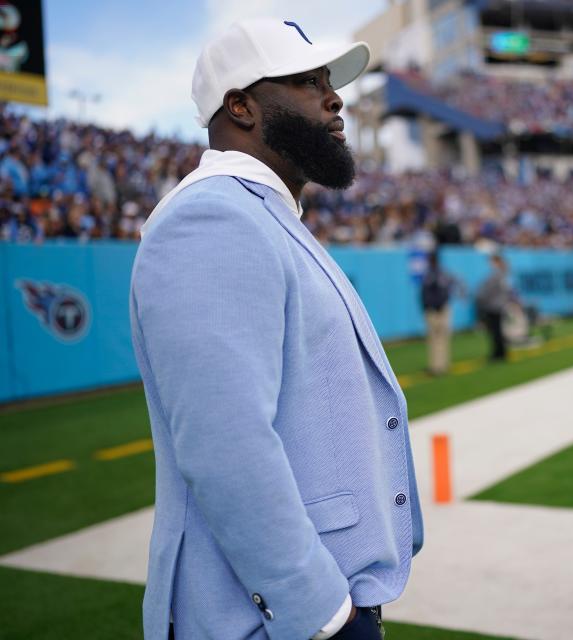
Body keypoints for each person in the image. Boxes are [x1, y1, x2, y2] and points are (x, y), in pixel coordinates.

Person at [129, 19, 422, 640]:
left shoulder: (262, 215)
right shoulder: (213, 217)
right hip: (270, 620)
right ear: (241, 106)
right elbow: (224, 444)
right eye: (306, 80)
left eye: (327, 81)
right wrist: (319, 613)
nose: (333, 95)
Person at [420, 251, 462, 375]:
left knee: (435, 338)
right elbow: (452, 287)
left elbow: (428, 295)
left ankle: (437, 367)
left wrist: (430, 307)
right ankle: (443, 365)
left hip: (435, 310)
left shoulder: (431, 275)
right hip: (442, 308)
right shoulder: (443, 273)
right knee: (442, 338)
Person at [475, 253, 513, 361]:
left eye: (492, 261)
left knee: (495, 331)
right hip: (498, 305)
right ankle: (501, 352)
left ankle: (498, 353)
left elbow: (488, 291)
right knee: (498, 331)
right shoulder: (503, 274)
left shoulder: (497, 275)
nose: (490, 264)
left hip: (493, 306)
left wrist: (480, 298)